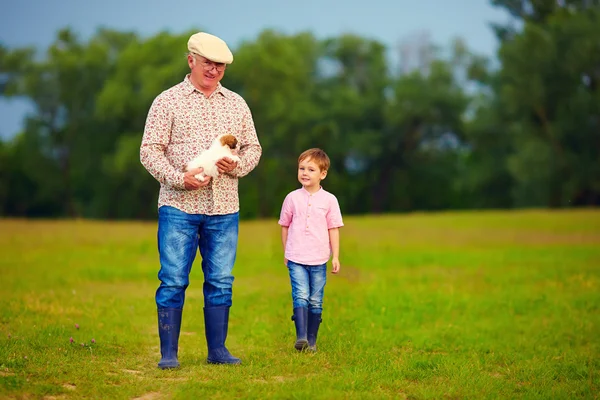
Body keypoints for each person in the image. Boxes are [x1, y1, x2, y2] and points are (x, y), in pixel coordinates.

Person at [140, 32, 262, 368]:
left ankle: (218, 351)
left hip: (224, 208)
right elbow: (149, 151)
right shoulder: (167, 101)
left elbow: (253, 148)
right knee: (173, 279)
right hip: (178, 206)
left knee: (221, 280)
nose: (214, 70)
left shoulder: (236, 103)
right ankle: (168, 354)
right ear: (191, 59)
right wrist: (180, 179)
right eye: (208, 63)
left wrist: (236, 167)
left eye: (220, 65)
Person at [278, 148, 343, 352]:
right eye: (301, 168)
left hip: (319, 259)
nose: (304, 173)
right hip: (296, 257)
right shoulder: (292, 198)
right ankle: (301, 337)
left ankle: (312, 341)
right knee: (301, 295)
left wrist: (336, 256)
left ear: (322, 174)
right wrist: (286, 252)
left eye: (311, 169)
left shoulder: (329, 200)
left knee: (315, 299)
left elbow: (333, 229)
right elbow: (284, 225)